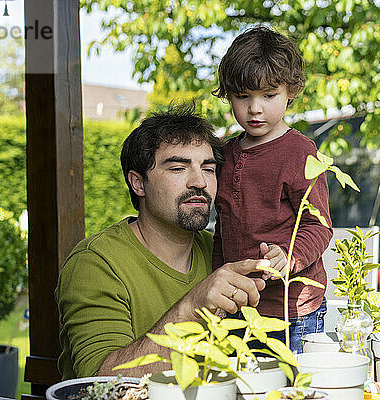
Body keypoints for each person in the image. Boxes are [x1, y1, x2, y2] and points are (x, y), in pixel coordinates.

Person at [55, 102, 268, 379]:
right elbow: (101, 382)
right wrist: (192, 308)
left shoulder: (221, 249)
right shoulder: (96, 263)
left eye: (208, 169)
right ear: (138, 183)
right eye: (178, 168)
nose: (199, 182)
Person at [212, 26, 333, 353]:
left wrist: (288, 256)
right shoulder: (224, 154)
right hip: (237, 308)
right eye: (243, 96)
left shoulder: (301, 153)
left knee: (291, 387)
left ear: (290, 91)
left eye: (268, 95)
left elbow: (319, 226)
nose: (255, 108)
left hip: (291, 311)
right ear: (228, 94)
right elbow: (221, 232)